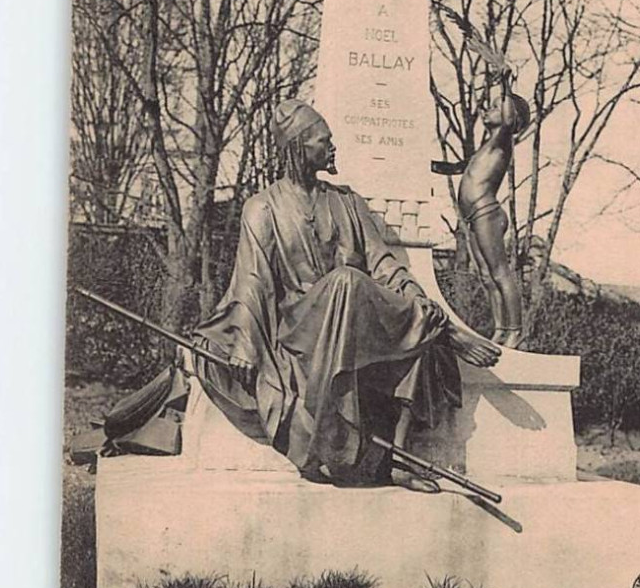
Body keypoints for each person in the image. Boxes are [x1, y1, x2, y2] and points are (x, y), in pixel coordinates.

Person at [194, 100, 500, 491]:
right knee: (347, 281)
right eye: (325, 141)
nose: (333, 148)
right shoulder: (262, 208)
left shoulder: (347, 202)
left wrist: (418, 300)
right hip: (299, 326)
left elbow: (384, 264)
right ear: (298, 148)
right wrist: (246, 345)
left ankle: (401, 459)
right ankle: (436, 333)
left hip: (351, 315)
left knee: (387, 306)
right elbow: (252, 282)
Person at [458, 72, 531, 350]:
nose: (489, 108)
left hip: (486, 213)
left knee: (500, 272)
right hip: (473, 216)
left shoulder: (503, 140)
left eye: (497, 105)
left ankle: (517, 332)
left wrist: (506, 85)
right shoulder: (485, 147)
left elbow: (510, 119)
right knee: (486, 277)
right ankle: (501, 329)